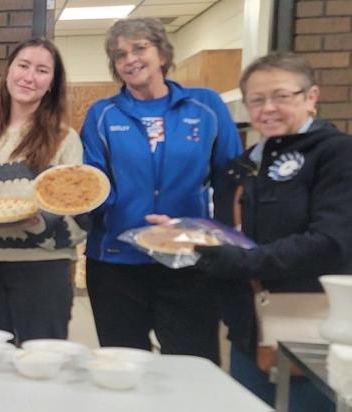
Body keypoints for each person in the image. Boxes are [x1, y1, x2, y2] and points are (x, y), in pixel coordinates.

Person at [79, 18, 242, 363]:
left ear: (162, 53)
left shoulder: (206, 106)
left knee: (192, 364)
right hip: (115, 262)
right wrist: (103, 210)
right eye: (119, 54)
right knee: (123, 366)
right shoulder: (102, 115)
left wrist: (216, 237)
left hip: (188, 258)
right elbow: (92, 182)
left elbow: (233, 177)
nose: (130, 59)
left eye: (139, 48)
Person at [195, 52, 346, 411]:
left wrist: (245, 262)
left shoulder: (337, 155)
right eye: (257, 100)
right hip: (250, 326)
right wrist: (185, 236)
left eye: (281, 96)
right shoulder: (242, 166)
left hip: (312, 324)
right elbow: (230, 233)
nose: (268, 109)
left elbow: (332, 242)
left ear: (311, 97)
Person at [0, 38, 85, 343]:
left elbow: (77, 213)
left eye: (42, 70)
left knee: (41, 362)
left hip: (43, 270)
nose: (29, 77)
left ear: (52, 84)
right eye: (23, 66)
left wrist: (36, 221)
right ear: (8, 72)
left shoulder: (64, 140)